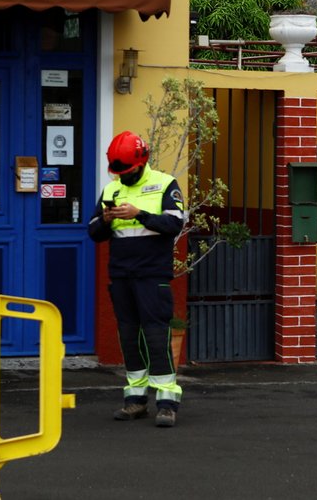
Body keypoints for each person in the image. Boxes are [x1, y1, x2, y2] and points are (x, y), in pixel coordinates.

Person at [87, 131, 185, 428]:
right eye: (120, 172)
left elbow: (174, 223)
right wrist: (105, 221)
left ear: (142, 163)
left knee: (156, 337)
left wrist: (138, 213)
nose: (124, 176)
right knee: (129, 339)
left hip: (152, 275)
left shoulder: (165, 184)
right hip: (121, 275)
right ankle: (135, 401)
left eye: (128, 171)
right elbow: (93, 232)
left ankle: (167, 403)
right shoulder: (110, 190)